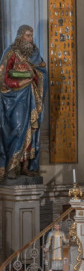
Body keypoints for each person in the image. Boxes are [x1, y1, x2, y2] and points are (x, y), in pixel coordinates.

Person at [0, 24, 47, 180]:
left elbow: (41, 72)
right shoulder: (10, 53)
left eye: (31, 36)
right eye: (27, 35)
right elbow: (3, 77)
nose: (30, 39)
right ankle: (12, 166)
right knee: (18, 129)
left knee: (30, 131)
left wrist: (34, 74)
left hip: (30, 96)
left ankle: (25, 166)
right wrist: (19, 82)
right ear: (20, 37)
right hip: (14, 99)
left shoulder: (34, 55)